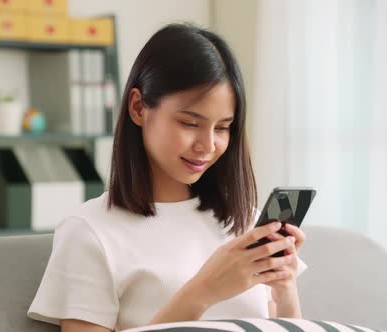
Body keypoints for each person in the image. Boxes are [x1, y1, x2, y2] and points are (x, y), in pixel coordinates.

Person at [27, 23, 307, 332]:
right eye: (190, 123)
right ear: (138, 108)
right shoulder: (91, 232)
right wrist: (202, 292)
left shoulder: (245, 223)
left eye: (223, 127)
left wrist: (286, 291)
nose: (208, 145)